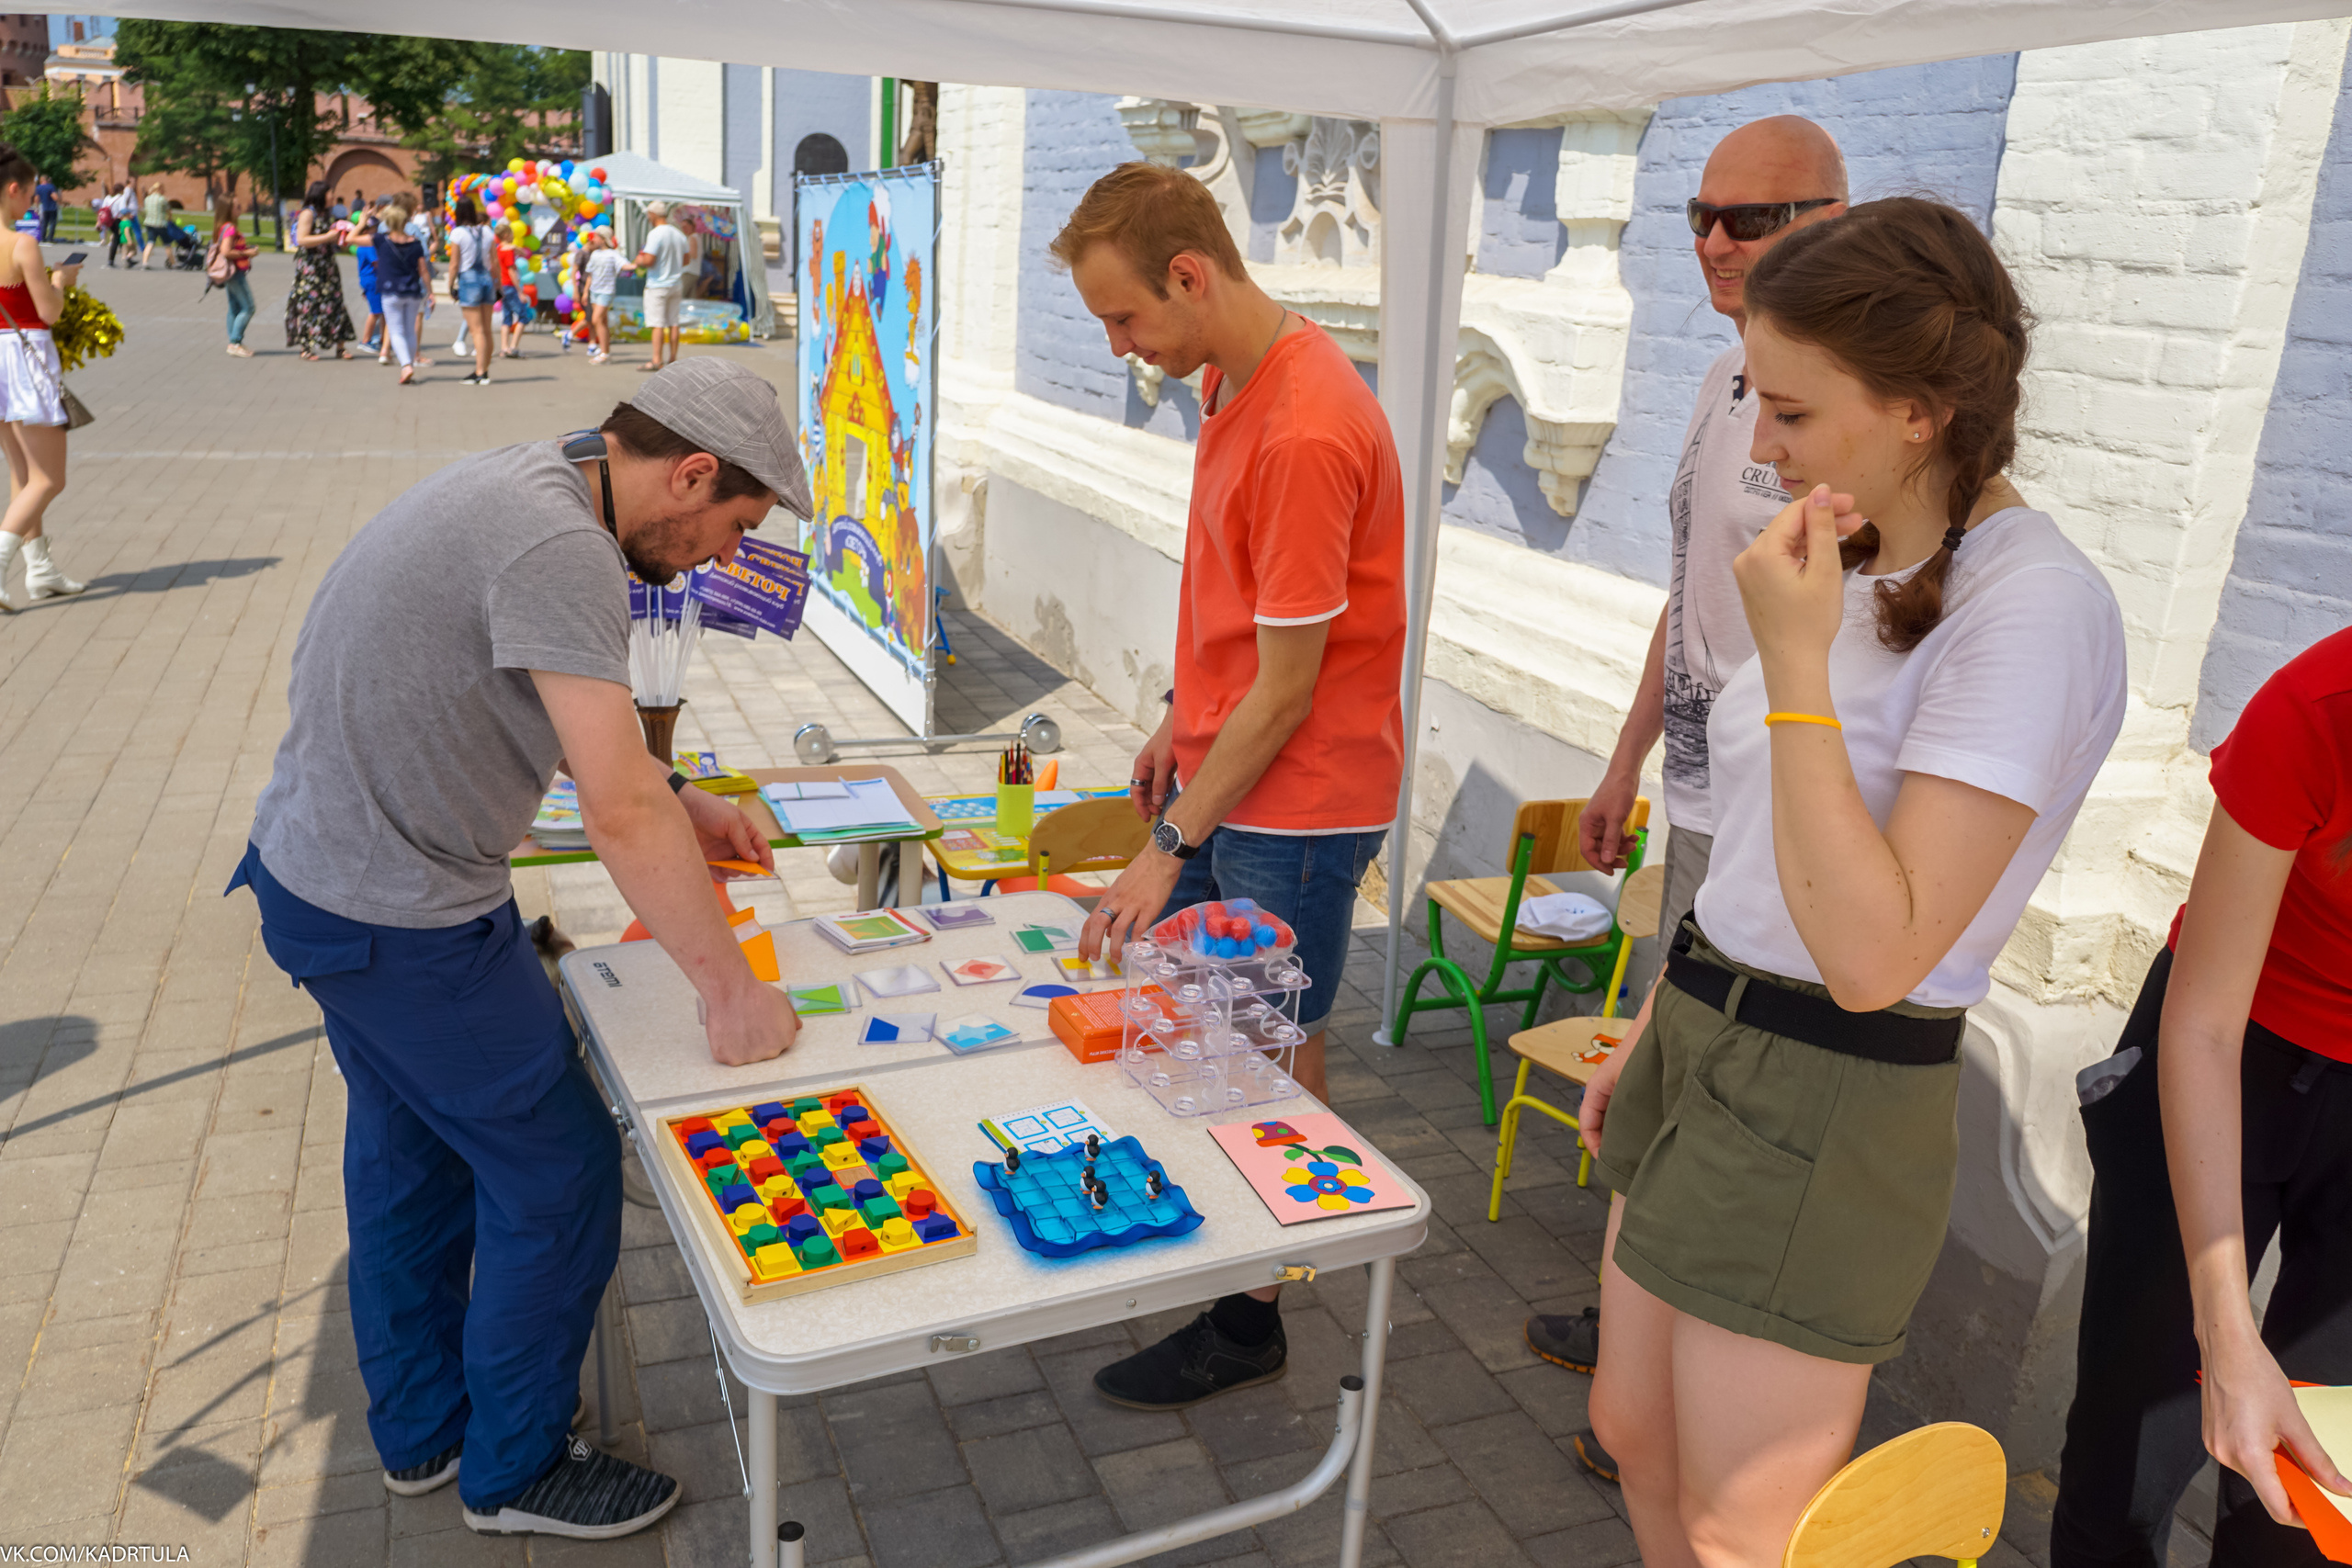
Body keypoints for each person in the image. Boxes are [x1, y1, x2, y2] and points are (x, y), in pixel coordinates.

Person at [1574, 197, 2129, 1566]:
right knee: (1632, 1429)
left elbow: (1878, 952)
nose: (1760, 446)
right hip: (1711, 1027)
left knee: (1742, 1526)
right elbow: (1766, 838)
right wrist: (1662, 1008)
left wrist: (1801, 662)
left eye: (1792, 411)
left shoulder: (2032, 605)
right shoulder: (1872, 551)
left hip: (1829, 1072)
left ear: (1919, 411)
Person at [232, 360, 811, 1540]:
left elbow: (583, 732)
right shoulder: (562, 552)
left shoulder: (542, 480)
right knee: (557, 1170)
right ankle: (517, 1467)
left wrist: (682, 788)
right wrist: (732, 991)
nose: (717, 557)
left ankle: (424, 1436)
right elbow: (616, 814)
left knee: (411, 1156)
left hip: (325, 883)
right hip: (399, 913)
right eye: (732, 526)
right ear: (689, 472)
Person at [1058, 162, 1406, 1411]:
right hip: (1232, 767)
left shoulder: (1310, 423)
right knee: (1222, 1028)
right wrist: (1173, 718)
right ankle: (1240, 1241)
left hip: (1296, 795)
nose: (1118, 343)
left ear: (1191, 276)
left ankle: (1256, 1304)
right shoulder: (1230, 375)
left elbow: (1292, 687)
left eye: (1127, 317)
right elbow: (1237, 612)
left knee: (1267, 1040)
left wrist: (1166, 839)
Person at [1537, 112, 1851, 1451]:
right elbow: (1691, 593)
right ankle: (1637, 1341)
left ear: (1833, 219)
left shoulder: (1836, 408)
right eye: (1702, 218)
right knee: (1663, 1075)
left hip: (1777, 812)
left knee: (1712, 1094)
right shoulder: (1732, 378)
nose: (1718, 242)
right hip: (1700, 786)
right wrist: (1624, 762)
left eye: (1754, 219)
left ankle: (1678, 1396)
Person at [2051, 625, 2352, 1568]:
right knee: (2133, 1450)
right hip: (2227, 1050)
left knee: (2314, 1497)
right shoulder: (2316, 708)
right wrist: (2222, 1331)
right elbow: (2203, 1025)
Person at [0, 143, 85, 612]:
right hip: (24, 359)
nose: (33, 203)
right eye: (30, 195)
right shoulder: (21, 243)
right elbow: (49, 313)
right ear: (14, 189)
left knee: (22, 473)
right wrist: (61, 281)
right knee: (50, 478)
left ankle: (41, 570)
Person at [286, 180, 356, 360]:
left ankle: (340, 347)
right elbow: (301, 240)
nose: (332, 196)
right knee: (309, 305)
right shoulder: (308, 214)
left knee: (336, 302)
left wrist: (339, 238)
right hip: (311, 268)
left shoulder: (326, 214)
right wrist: (327, 237)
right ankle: (306, 347)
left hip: (327, 266)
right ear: (321, 194)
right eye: (329, 193)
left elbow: (327, 238)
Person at [371, 201, 432, 386]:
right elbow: (424, 270)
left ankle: (406, 365)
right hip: (412, 291)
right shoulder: (415, 243)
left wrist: (364, 220)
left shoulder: (381, 240)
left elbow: (351, 238)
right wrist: (431, 293)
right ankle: (410, 362)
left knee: (396, 331)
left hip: (391, 292)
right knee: (409, 331)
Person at [447, 196, 500, 385]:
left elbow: (454, 264)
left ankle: (480, 373)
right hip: (486, 278)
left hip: (469, 279)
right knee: (486, 329)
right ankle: (484, 369)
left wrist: (450, 285)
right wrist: (498, 285)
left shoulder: (458, 233)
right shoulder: (487, 231)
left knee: (476, 330)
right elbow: (494, 262)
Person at [633, 201, 690, 372]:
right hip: (675, 283)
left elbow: (649, 260)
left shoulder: (655, 234)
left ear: (653, 214)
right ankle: (672, 359)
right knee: (673, 322)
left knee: (657, 323)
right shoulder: (679, 234)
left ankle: (657, 360)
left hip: (658, 284)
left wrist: (639, 260)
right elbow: (686, 260)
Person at [213, 195, 259, 358]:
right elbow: (226, 252)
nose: (240, 209)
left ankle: (234, 343)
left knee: (234, 308)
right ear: (229, 210)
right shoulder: (230, 228)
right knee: (248, 307)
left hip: (229, 273)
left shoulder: (224, 226)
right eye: (237, 206)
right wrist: (248, 253)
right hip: (234, 273)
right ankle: (235, 342)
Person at [584, 231, 623, 366]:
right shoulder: (595, 254)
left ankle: (604, 354)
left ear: (603, 239)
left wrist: (637, 264)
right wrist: (585, 292)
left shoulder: (612, 254)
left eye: (595, 237)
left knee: (596, 319)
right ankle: (605, 351)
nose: (593, 239)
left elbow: (624, 264)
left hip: (606, 291)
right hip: (594, 291)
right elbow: (590, 275)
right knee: (603, 321)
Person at [353, 199, 385, 356]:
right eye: (373, 229)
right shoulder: (368, 245)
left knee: (381, 311)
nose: (376, 231)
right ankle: (365, 341)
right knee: (376, 312)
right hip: (373, 280)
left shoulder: (363, 245)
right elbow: (377, 263)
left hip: (369, 280)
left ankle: (381, 339)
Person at [496, 230, 530, 359]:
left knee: (507, 318)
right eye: (511, 234)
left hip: (502, 285)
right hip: (510, 286)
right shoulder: (508, 251)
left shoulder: (498, 249)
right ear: (506, 235)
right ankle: (513, 347)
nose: (513, 236)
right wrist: (520, 291)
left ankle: (504, 348)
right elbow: (511, 271)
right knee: (523, 316)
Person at [33, 174, 55, 243]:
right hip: (52, 208)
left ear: (42, 180)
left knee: (44, 223)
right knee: (52, 223)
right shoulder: (51, 187)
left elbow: (37, 199)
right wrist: (60, 201)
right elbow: (55, 197)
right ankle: (50, 238)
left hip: (43, 208)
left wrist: (36, 207)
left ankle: (43, 238)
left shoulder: (38, 188)